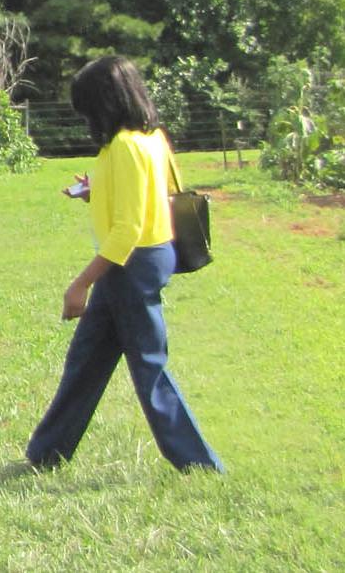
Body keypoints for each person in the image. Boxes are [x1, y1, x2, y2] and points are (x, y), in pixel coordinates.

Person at [26, 56, 224, 472]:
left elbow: (128, 228)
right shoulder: (151, 138)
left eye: (87, 109)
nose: (86, 120)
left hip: (131, 265)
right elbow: (156, 194)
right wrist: (96, 191)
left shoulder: (125, 147)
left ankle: (200, 464)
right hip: (145, 259)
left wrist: (80, 283)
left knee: (149, 368)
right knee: (87, 360)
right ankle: (46, 453)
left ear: (104, 103)